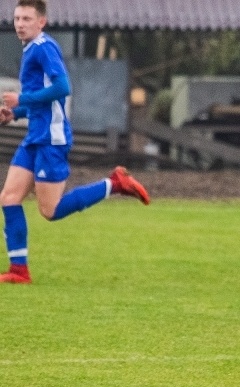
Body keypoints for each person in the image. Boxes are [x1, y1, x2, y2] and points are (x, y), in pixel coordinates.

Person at [0, 0, 149, 284]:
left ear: (41, 22)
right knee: (8, 198)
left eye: (27, 19)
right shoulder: (31, 48)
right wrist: (14, 113)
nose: (20, 24)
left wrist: (22, 99)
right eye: (17, 18)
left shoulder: (44, 47)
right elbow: (40, 99)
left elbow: (62, 88)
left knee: (50, 211)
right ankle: (19, 271)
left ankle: (114, 184)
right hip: (36, 135)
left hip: (51, 139)